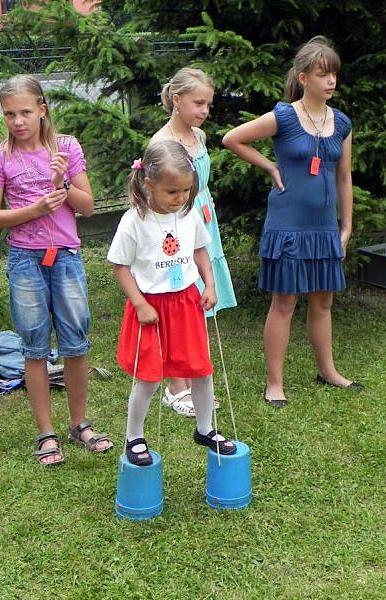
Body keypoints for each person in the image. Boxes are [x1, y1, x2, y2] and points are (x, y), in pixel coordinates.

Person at [222, 36, 363, 407]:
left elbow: (344, 177)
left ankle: (328, 371)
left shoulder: (342, 123)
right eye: (322, 74)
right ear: (303, 78)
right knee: (284, 302)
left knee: (323, 302)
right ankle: (274, 383)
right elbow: (232, 138)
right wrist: (269, 166)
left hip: (324, 227)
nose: (330, 81)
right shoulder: (284, 116)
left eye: (333, 74)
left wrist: (345, 227)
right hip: (287, 224)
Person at [0, 75, 113, 466]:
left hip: (66, 257)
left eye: (25, 112)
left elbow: (87, 206)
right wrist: (34, 210)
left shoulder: (66, 147)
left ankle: (79, 424)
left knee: (76, 343)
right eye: (9, 114)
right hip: (25, 260)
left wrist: (62, 183)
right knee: (34, 347)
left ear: (42, 109)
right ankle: (46, 433)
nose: (18, 121)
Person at [108, 140, 237, 466]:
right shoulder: (134, 220)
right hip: (150, 308)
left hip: (186, 304)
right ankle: (134, 436)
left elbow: (199, 250)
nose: (180, 198)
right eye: (172, 192)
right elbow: (120, 266)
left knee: (201, 369)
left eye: (185, 191)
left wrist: (208, 283)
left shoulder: (188, 212)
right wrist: (138, 303)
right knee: (149, 378)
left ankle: (205, 429)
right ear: (149, 184)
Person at [150, 67, 236, 417]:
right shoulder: (162, 142)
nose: (204, 110)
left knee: (198, 301)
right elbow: (156, 195)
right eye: (198, 103)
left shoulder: (198, 136)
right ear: (177, 99)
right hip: (177, 228)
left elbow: (199, 182)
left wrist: (205, 203)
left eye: (208, 104)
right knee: (177, 302)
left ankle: (192, 378)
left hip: (203, 223)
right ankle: (175, 386)